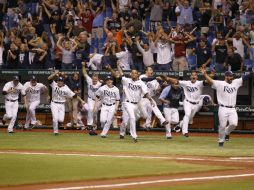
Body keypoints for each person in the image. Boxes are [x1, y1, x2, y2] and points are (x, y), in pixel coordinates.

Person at [200, 68, 247, 147]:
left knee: (234, 124)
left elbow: (245, 77)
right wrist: (205, 74)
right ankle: (221, 141)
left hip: (232, 108)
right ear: (226, 76)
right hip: (223, 108)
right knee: (222, 125)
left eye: (232, 76)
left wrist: (252, 72)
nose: (231, 77)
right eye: (229, 76)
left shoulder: (236, 82)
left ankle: (227, 132)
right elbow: (211, 81)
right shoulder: (220, 83)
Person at [107, 63, 153, 142]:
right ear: (130, 74)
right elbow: (119, 75)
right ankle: (134, 136)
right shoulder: (126, 80)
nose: (134, 74)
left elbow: (146, 93)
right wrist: (114, 67)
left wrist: (151, 99)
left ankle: (122, 132)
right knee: (131, 117)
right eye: (132, 73)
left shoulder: (141, 83)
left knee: (126, 121)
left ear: (138, 74)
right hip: (127, 103)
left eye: (135, 73)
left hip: (137, 104)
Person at [164, 71, 206, 137]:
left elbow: (206, 82)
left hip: (196, 104)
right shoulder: (186, 83)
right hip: (187, 102)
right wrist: (168, 78)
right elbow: (176, 81)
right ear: (190, 77)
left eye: (195, 75)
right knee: (187, 114)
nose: (193, 76)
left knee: (189, 118)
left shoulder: (200, 83)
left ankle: (179, 125)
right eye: (192, 75)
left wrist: (208, 75)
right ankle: (185, 132)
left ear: (197, 77)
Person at [48, 71, 84, 135]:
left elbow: (74, 95)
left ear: (63, 82)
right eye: (59, 80)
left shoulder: (66, 88)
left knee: (61, 120)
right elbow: (49, 78)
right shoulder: (54, 84)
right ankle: (55, 131)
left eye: (61, 81)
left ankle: (57, 124)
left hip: (62, 105)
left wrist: (81, 100)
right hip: (54, 103)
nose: (59, 82)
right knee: (55, 118)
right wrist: (54, 74)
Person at [82, 62, 102, 135]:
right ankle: (89, 125)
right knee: (90, 109)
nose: (94, 81)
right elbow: (84, 73)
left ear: (97, 79)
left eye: (96, 80)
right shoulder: (89, 80)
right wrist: (83, 66)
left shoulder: (100, 84)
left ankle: (94, 126)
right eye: (93, 79)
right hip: (90, 99)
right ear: (92, 78)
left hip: (97, 100)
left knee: (94, 113)